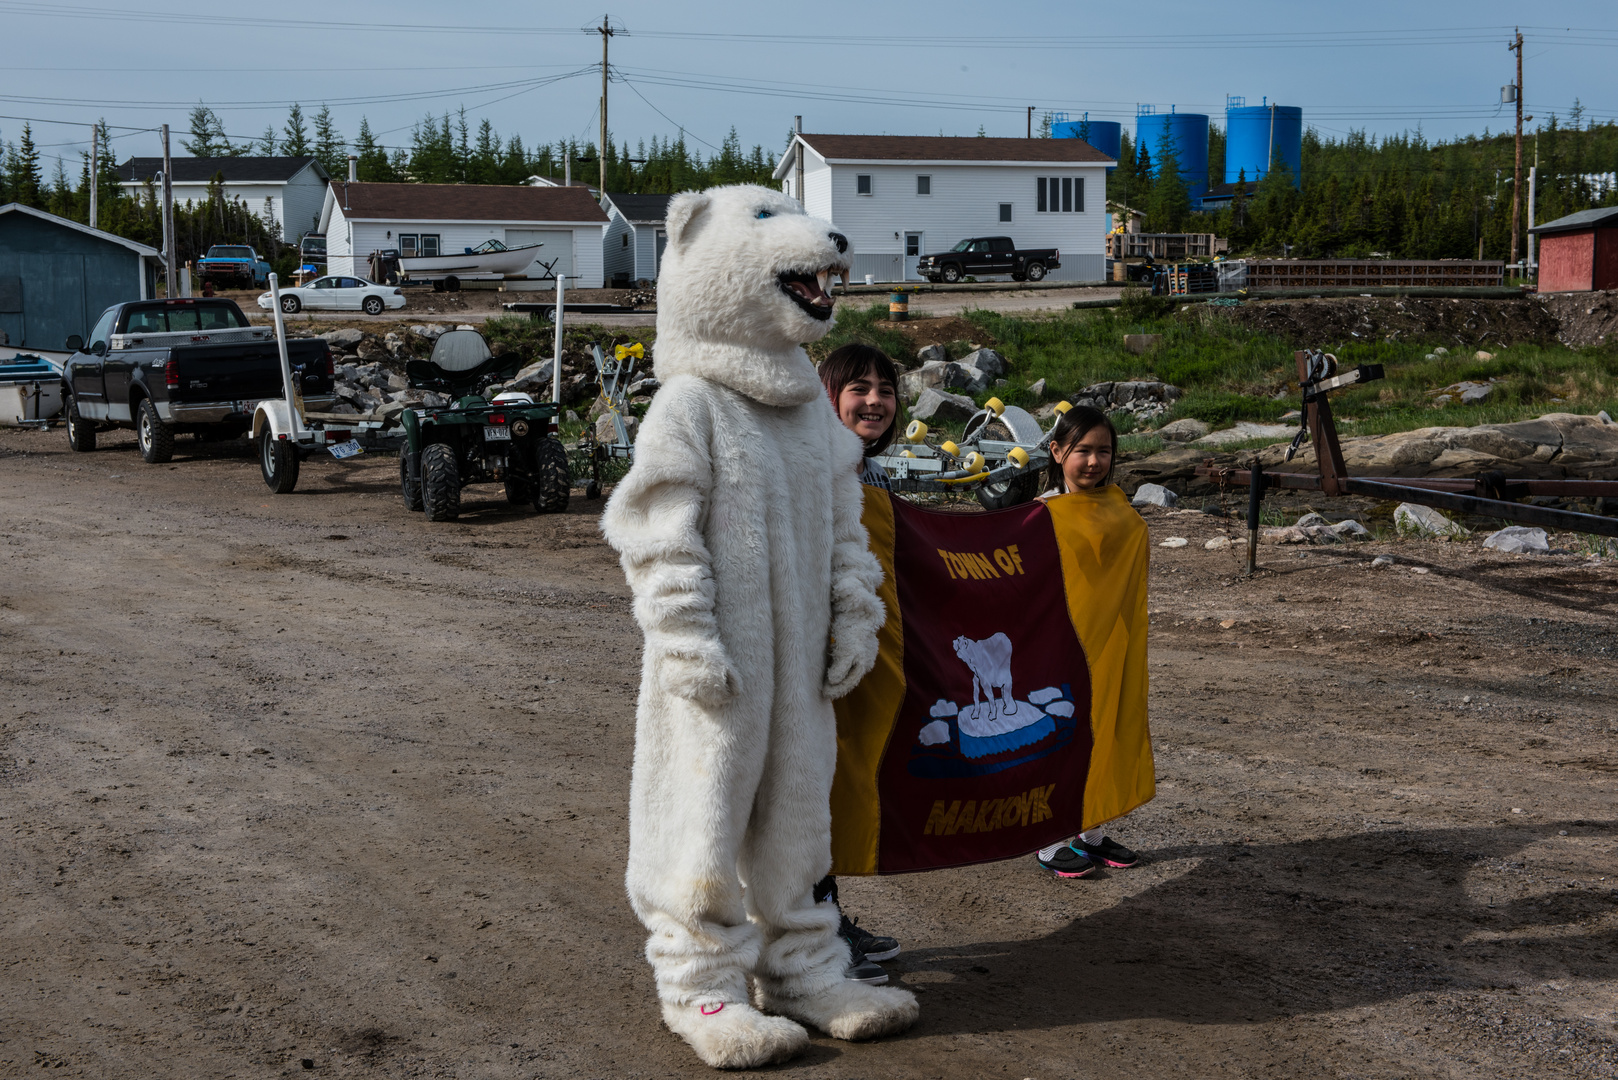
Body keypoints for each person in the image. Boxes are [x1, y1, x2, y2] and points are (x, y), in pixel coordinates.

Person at [814, 343, 904, 982]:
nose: (875, 400)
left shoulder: (865, 472)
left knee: (826, 789)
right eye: (859, 388)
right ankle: (812, 944)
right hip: (803, 657)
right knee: (805, 792)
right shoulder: (813, 469)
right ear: (829, 397)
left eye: (885, 388)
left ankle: (823, 921)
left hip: (843, 656)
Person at [1032, 404, 1144, 879]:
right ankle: (1046, 840)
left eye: (1104, 451)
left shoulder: (1118, 508)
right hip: (1059, 641)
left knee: (1104, 729)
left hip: (1108, 639)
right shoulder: (1038, 514)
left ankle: (1090, 834)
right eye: (1082, 450)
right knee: (1061, 736)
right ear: (1058, 453)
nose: (1094, 461)